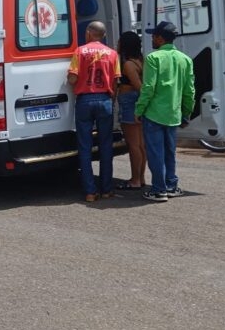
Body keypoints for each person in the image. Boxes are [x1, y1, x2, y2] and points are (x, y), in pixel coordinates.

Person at [135, 21, 195, 202]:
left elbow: (148, 88)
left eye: (154, 35)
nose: (152, 38)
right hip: (174, 114)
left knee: (155, 153)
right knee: (170, 152)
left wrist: (139, 109)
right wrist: (186, 112)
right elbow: (189, 90)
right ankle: (171, 185)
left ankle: (159, 189)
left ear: (160, 38)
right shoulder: (185, 59)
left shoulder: (154, 58)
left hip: (154, 113)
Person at [67, 21, 121, 202]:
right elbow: (115, 81)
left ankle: (90, 191)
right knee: (106, 145)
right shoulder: (113, 54)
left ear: (89, 33)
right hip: (105, 100)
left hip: (85, 101)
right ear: (103, 35)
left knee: (85, 146)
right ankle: (106, 189)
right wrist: (110, 100)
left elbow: (73, 78)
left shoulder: (79, 51)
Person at [115, 31, 147, 190]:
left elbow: (139, 86)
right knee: (141, 144)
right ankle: (140, 178)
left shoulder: (128, 64)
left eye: (120, 41)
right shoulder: (141, 60)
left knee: (133, 145)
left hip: (130, 102)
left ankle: (135, 179)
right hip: (135, 102)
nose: (117, 44)